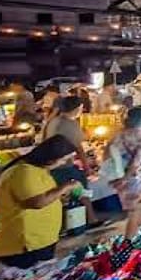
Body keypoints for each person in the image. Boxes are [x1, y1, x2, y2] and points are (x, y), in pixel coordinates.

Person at [0, 136, 82, 268]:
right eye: (63, 159)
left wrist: (60, 197)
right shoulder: (23, 172)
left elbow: (44, 195)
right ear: (51, 158)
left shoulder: (39, 170)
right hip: (26, 243)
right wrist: (66, 187)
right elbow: (36, 202)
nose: (64, 163)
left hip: (42, 239)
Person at [42, 96, 103, 227]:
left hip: (50, 166)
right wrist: (87, 169)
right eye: (81, 108)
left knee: (60, 195)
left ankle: (64, 224)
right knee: (81, 187)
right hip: (63, 165)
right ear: (76, 109)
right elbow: (79, 148)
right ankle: (91, 219)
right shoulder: (70, 124)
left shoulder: (52, 121)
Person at [102, 107, 141, 238]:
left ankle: (135, 236)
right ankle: (128, 244)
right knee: (135, 211)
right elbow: (136, 161)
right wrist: (126, 178)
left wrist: (117, 177)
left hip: (119, 175)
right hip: (133, 177)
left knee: (136, 208)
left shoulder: (118, 134)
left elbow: (106, 153)